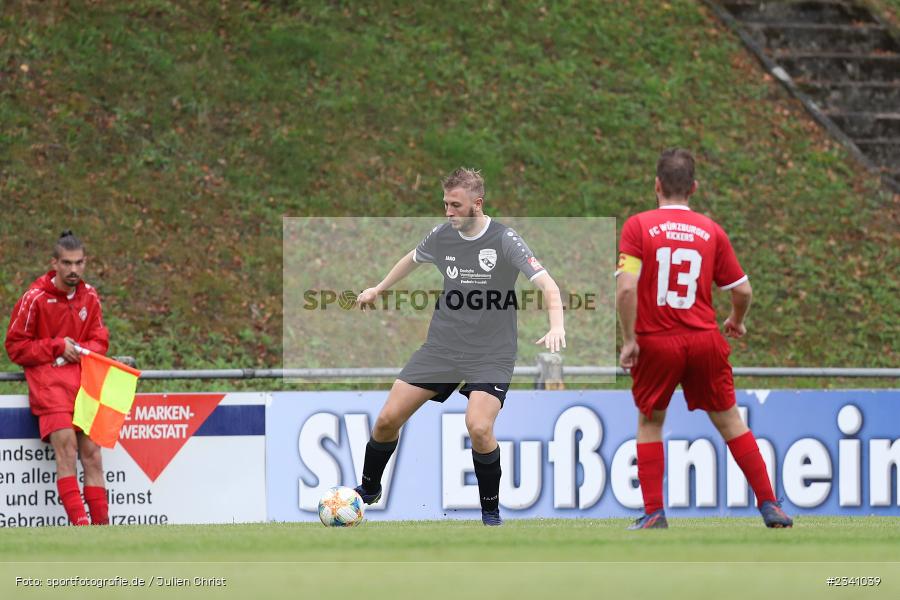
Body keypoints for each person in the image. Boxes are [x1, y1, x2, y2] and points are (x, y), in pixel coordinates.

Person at [353, 167, 566, 526]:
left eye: (455, 205)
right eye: (445, 204)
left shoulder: (505, 240)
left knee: (479, 427)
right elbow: (412, 259)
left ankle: (490, 513)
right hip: (442, 348)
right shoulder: (442, 236)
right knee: (387, 419)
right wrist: (379, 288)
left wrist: (556, 324)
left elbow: (548, 285)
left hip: (491, 353)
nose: (448, 212)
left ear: (477, 204)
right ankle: (368, 490)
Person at [615, 149, 792, 529]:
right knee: (730, 420)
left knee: (651, 421)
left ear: (656, 185)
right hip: (703, 340)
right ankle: (770, 504)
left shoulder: (638, 227)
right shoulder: (712, 231)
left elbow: (626, 289)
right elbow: (742, 290)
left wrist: (629, 339)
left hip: (657, 341)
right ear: (694, 187)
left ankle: (654, 513)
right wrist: (736, 320)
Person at [5, 231, 111, 526]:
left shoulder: (90, 295)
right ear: (55, 263)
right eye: (67, 263)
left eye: (78, 263)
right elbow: (15, 346)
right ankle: (80, 525)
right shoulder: (34, 297)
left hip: (84, 385)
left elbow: (100, 339)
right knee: (67, 448)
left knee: (93, 454)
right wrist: (57, 345)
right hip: (50, 386)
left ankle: (104, 531)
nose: (73, 269)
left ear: (85, 263)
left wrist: (82, 349)